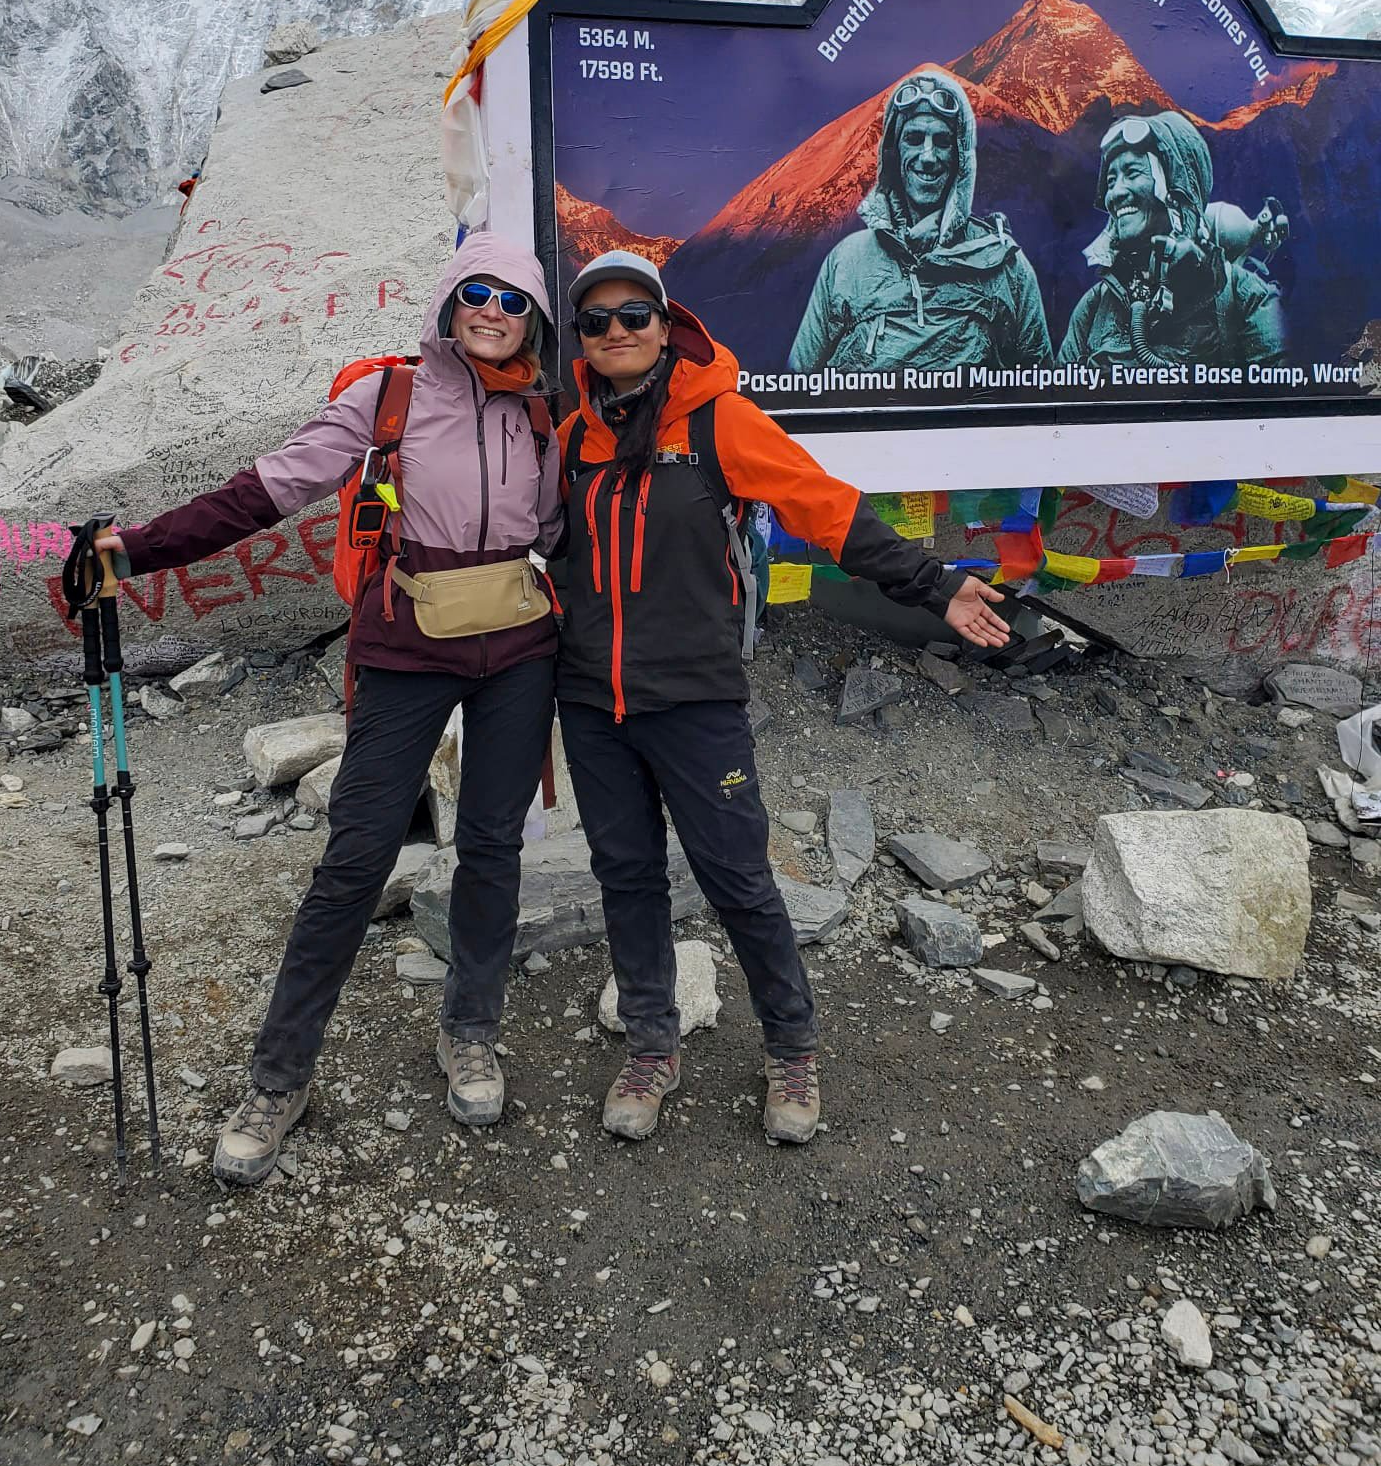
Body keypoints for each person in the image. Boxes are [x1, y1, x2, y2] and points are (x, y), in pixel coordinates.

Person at [89, 235, 562, 1185]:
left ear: (535, 322)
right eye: (477, 292)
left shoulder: (543, 412)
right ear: (446, 299)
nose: (493, 312)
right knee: (354, 861)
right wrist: (137, 550)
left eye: (515, 302)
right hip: (404, 654)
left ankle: (469, 1031)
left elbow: (558, 531)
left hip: (518, 652)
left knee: (496, 845)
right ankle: (281, 1075)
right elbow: (270, 488)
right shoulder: (387, 396)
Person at [555, 249, 1010, 1146]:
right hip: (591, 701)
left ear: (664, 324)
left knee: (737, 881)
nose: (615, 332)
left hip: (695, 699)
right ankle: (653, 1044)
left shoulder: (720, 421)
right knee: (627, 876)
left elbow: (826, 510)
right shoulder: (574, 437)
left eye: (632, 314)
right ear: (580, 338)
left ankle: (791, 1048)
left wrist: (935, 584)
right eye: (596, 320)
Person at [789, 66, 1051, 374]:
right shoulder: (847, 263)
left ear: (960, 156)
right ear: (893, 152)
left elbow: (1041, 392)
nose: (928, 156)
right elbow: (799, 386)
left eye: (941, 141)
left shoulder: (1006, 267)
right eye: (914, 138)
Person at [1058, 112, 1285, 370]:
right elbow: (1060, 403)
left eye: (1132, 173)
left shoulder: (1244, 297)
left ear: (1177, 191)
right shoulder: (1093, 309)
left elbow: (1282, 400)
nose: (1115, 193)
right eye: (1111, 181)